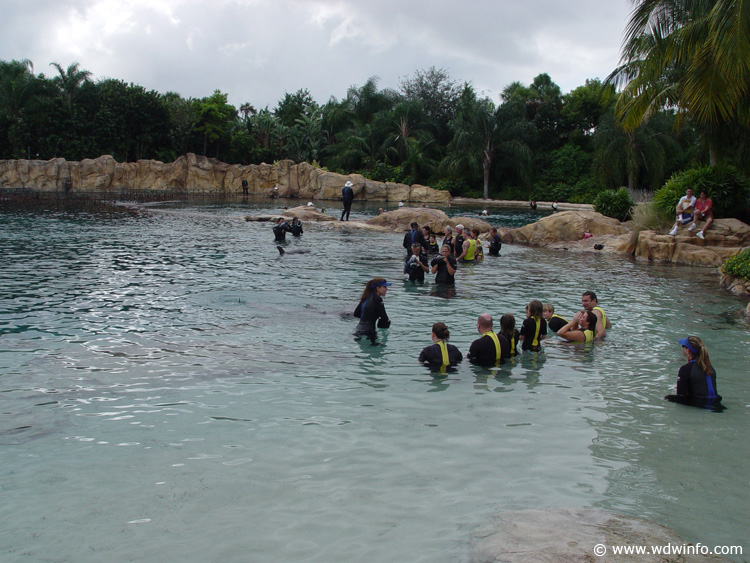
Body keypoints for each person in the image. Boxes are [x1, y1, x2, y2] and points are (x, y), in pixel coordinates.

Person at [665, 336, 722, 408]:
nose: (682, 348)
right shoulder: (710, 367)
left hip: (700, 406)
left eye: (683, 346)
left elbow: (681, 396)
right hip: (715, 404)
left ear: (688, 350)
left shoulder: (685, 369)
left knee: (667, 398)